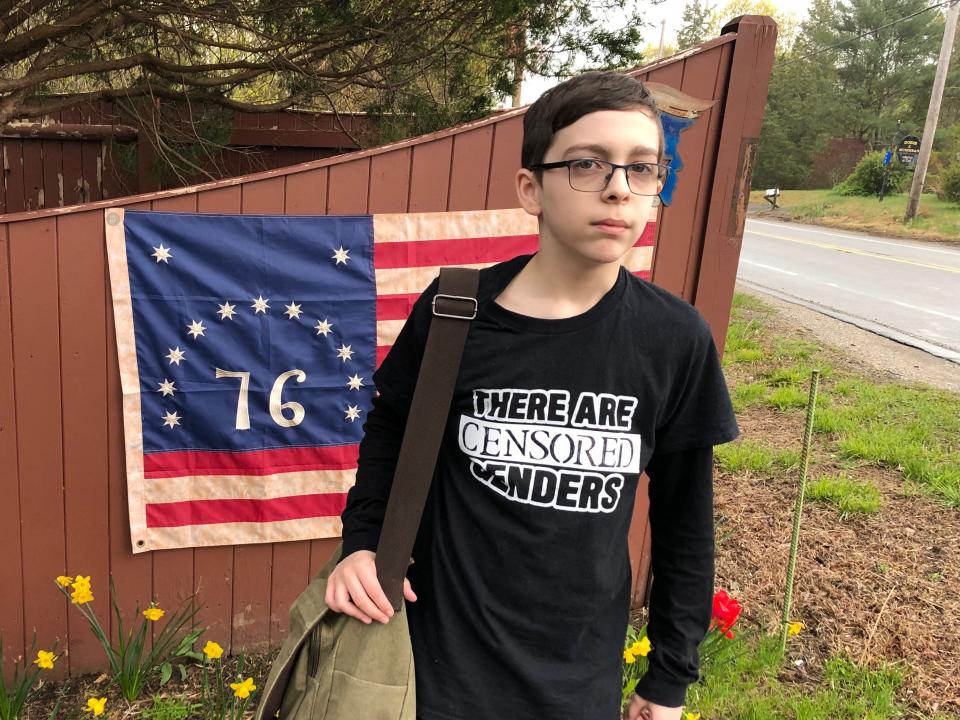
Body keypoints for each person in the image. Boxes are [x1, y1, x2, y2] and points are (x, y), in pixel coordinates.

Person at [326, 70, 740, 720]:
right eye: (587, 164)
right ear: (531, 188)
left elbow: (686, 523)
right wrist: (361, 543)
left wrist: (669, 678)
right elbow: (391, 430)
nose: (617, 188)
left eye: (642, 168)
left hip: (577, 681)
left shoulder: (674, 339)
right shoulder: (457, 312)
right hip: (433, 671)